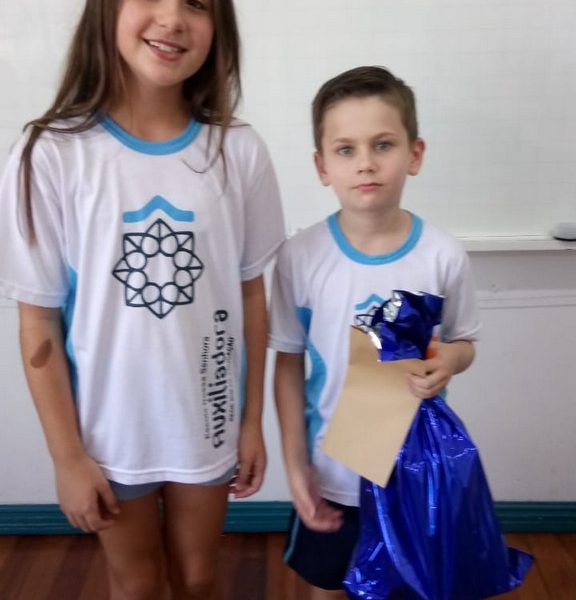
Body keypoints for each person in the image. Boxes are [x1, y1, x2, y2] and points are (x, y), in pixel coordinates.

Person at [0, 1, 285, 598]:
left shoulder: (238, 150)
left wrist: (251, 421)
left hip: (206, 418)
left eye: (196, 3)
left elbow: (252, 296)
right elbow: (38, 322)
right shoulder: (49, 152)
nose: (172, 18)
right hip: (109, 434)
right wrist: (67, 458)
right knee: (135, 585)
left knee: (200, 577)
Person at [269, 66, 480, 599]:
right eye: (346, 149)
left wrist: (449, 362)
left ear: (415, 154)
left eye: (383, 145)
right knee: (328, 584)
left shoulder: (442, 255)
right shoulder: (300, 257)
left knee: (413, 588)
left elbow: (464, 343)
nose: (365, 162)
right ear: (322, 166)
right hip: (332, 475)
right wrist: (295, 467)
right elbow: (288, 362)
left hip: (414, 474)